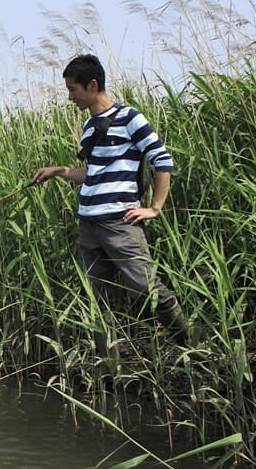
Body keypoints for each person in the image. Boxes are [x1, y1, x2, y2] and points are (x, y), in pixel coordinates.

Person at [32, 54, 189, 354]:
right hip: (88, 223)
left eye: (72, 90)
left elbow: (162, 160)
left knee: (147, 289)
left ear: (92, 85)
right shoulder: (90, 126)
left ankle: (191, 345)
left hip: (120, 222)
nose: (69, 97)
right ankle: (108, 370)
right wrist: (60, 172)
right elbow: (94, 172)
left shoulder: (130, 118)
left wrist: (154, 208)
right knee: (97, 301)